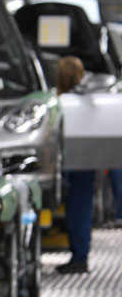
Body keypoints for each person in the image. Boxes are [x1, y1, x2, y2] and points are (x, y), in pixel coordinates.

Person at [55, 56, 93, 274]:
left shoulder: (62, 101)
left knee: (76, 210)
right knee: (82, 209)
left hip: (72, 163)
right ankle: (80, 254)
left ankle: (79, 257)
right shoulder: (89, 100)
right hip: (88, 160)